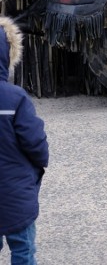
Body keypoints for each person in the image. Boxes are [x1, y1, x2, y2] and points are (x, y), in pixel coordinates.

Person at [1, 16, 50, 263]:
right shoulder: (16, 98)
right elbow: (35, 142)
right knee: (22, 249)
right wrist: (41, 163)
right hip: (16, 193)